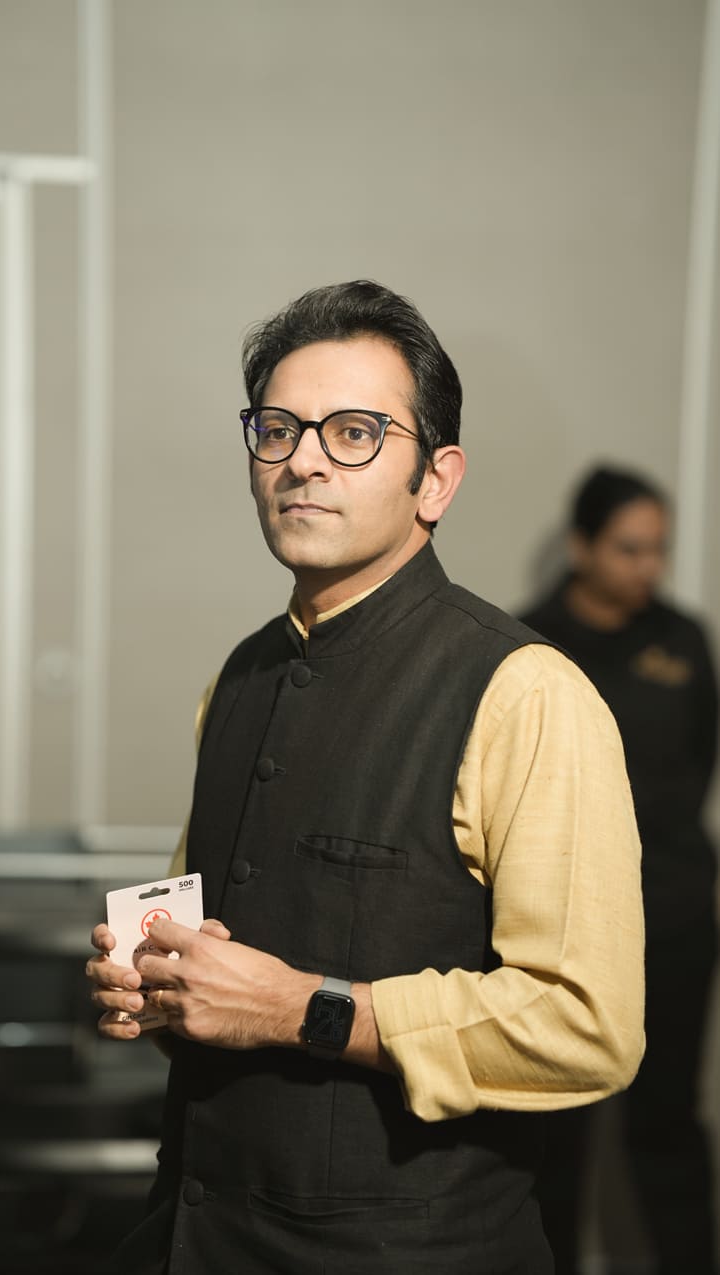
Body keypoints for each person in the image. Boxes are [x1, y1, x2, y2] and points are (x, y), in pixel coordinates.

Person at [87, 281, 645, 1275]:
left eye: (353, 433)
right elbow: (217, 974)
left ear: (436, 481)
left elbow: (586, 1027)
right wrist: (160, 985)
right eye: (277, 429)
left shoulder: (524, 692)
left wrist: (301, 1007)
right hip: (195, 1235)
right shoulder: (241, 676)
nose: (302, 460)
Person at [520, 466, 719, 1275]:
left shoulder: (682, 638)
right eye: (629, 548)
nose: (648, 567)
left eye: (658, 549)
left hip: (672, 921)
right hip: (561, 927)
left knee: (666, 1124)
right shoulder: (528, 642)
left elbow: (699, 757)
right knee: (551, 1130)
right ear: (582, 547)